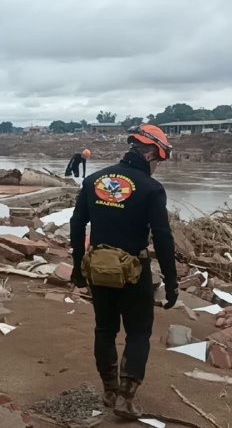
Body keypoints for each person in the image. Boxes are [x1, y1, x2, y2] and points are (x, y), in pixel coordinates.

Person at [69, 124, 178, 420]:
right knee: (139, 333)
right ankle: (125, 399)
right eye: (158, 161)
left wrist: (79, 267)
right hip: (134, 272)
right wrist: (171, 281)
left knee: (105, 330)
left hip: (99, 270)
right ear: (151, 153)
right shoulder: (151, 188)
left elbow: (77, 225)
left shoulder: (93, 180)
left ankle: (109, 390)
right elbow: (163, 238)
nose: (157, 167)